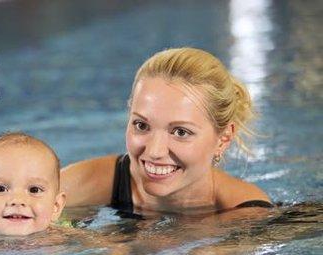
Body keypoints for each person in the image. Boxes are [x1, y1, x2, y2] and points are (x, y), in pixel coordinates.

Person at [61, 47, 273, 214]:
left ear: (223, 139)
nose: (154, 151)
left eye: (181, 132)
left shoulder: (247, 215)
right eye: (141, 125)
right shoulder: (86, 183)